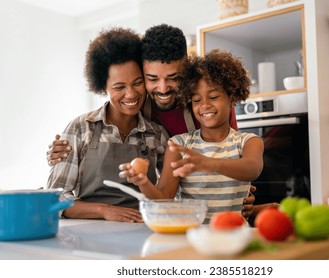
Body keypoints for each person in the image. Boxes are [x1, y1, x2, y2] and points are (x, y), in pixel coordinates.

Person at [47, 24, 256, 218]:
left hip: (150, 223)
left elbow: (232, 160)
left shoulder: (181, 122)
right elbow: (53, 199)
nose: (162, 88)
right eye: (152, 79)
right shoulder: (85, 127)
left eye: (173, 77)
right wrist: (105, 210)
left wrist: (242, 196)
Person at [119, 49, 264, 223]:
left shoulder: (248, 141)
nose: (205, 105)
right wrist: (142, 182)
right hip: (192, 236)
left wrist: (207, 163)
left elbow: (252, 169)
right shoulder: (179, 144)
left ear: (231, 98)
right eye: (196, 100)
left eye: (213, 96)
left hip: (234, 236)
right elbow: (164, 198)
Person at [47, 27, 168, 223]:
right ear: (103, 87)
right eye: (119, 87)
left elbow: (167, 197)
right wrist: (104, 210)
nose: (131, 94)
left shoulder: (157, 135)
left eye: (137, 83)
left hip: (140, 230)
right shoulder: (81, 128)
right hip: (88, 234)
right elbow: (55, 199)